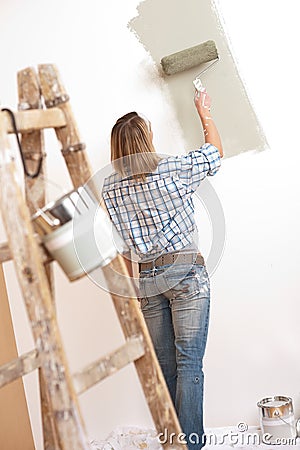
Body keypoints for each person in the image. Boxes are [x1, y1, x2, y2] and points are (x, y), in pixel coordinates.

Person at [102, 88, 223, 449]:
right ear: (146, 139)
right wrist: (204, 111)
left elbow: (123, 244)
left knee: (167, 368)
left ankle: (173, 442)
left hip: (149, 281)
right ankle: (191, 445)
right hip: (186, 275)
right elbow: (215, 154)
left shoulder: (110, 189)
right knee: (188, 364)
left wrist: (133, 289)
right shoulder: (171, 168)